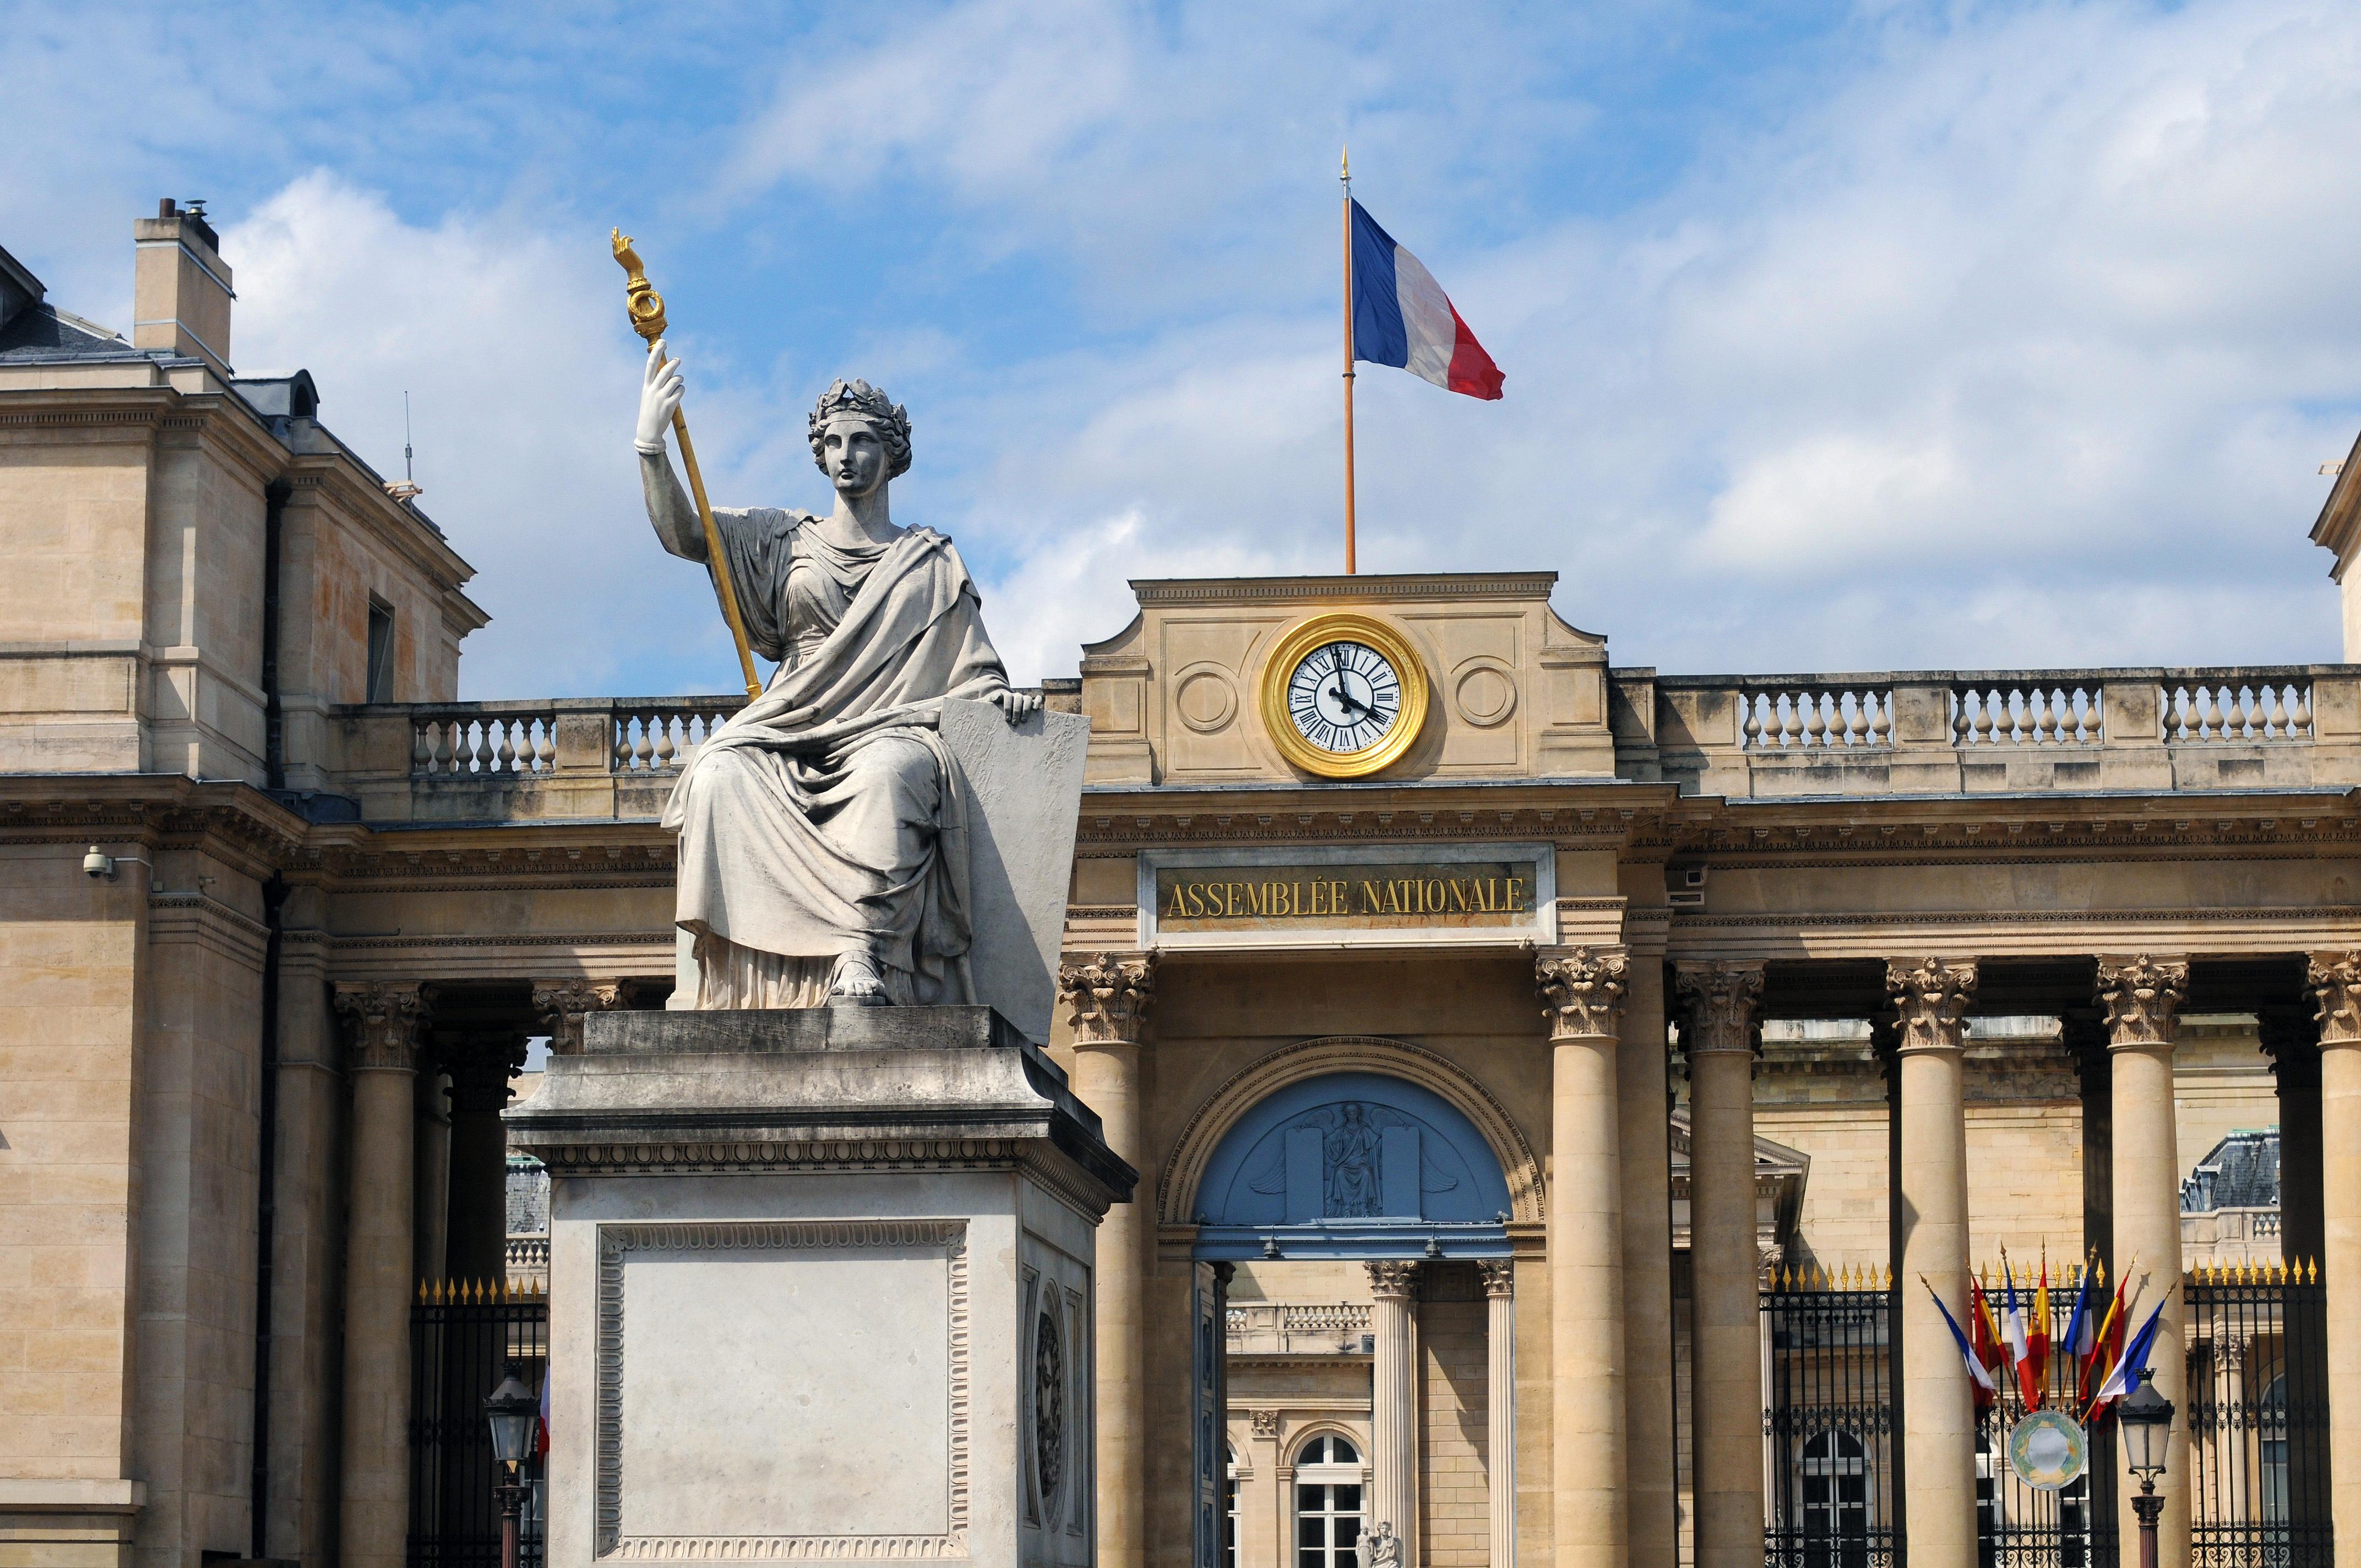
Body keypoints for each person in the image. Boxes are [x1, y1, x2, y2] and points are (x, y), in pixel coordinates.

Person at [635, 341, 1039, 1008]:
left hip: (893, 724)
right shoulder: (782, 537)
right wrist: (651, 449)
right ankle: (738, 972)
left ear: (893, 454)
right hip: (792, 723)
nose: (845, 456)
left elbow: (972, 670)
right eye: (832, 442)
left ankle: (861, 950)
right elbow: (687, 535)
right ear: (819, 454)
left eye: (861, 442)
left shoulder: (929, 559)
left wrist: (1003, 700)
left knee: (889, 774)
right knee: (716, 772)